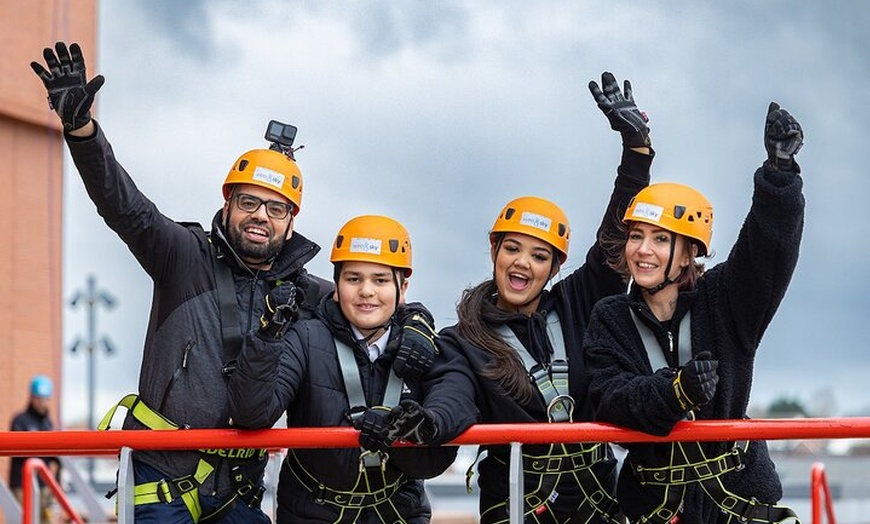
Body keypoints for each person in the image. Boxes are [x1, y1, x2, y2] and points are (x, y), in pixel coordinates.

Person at [30, 42, 331, 523]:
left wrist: (416, 320)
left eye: (276, 209)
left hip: (239, 494)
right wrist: (81, 131)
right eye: (249, 202)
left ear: (291, 224)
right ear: (227, 203)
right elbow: (124, 205)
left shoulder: (307, 293)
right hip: (162, 486)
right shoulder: (183, 256)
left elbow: (368, 304)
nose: (260, 217)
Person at [433, 72, 653, 524]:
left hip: (596, 504)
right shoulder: (461, 341)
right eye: (511, 249)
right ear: (493, 251)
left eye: (538, 256)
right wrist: (430, 420)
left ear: (554, 269)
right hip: (515, 504)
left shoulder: (577, 305)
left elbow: (614, 242)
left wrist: (637, 152)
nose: (521, 264)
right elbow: (453, 398)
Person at [582, 103, 805, 523]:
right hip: (658, 508)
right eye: (636, 237)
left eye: (660, 239)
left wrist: (779, 175)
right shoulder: (610, 318)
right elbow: (611, 400)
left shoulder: (725, 300)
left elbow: (768, 253)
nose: (642, 250)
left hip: (736, 501)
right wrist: (674, 393)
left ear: (688, 254)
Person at [227, 214, 478, 523]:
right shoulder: (304, 338)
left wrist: (421, 424)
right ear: (336, 285)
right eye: (353, 278)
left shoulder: (422, 346)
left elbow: (456, 396)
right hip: (312, 512)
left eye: (381, 280)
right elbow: (251, 413)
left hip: (397, 512)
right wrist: (268, 336)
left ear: (404, 287)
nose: (366, 291)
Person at [9, 375, 61, 523]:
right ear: (31, 397)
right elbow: (19, 449)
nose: (42, 402)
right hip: (22, 484)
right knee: (23, 520)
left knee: (46, 520)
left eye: (45, 398)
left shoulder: (47, 423)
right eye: (38, 398)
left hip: (44, 484)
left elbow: (54, 452)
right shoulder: (20, 421)